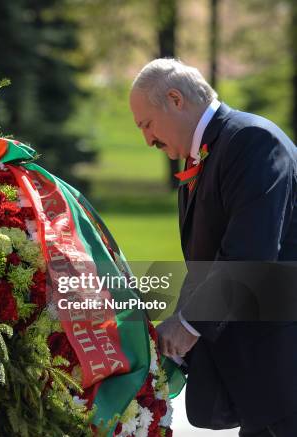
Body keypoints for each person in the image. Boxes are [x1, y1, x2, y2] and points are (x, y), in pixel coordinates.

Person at [130, 58, 297, 436]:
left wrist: (188, 324)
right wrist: (170, 333)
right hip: (260, 376)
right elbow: (205, 265)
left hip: (283, 364)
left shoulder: (252, 141)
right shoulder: (207, 153)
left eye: (147, 124)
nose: (147, 139)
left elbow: (249, 255)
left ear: (175, 99)